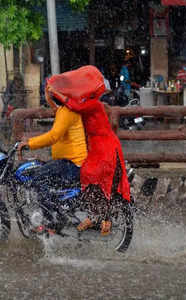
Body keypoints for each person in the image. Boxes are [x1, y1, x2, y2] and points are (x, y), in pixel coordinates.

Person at [46, 65, 131, 236]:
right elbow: (64, 111)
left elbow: (74, 107)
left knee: (94, 175)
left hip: (106, 145)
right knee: (87, 176)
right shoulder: (86, 104)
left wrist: (57, 93)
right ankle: (95, 215)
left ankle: (102, 217)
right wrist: (50, 99)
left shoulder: (93, 105)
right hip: (96, 146)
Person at [17, 84, 88, 232]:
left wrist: (29, 144)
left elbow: (53, 136)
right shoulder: (66, 110)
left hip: (71, 163)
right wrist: (50, 99)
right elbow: (58, 111)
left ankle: (52, 219)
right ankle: (54, 212)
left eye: (55, 93)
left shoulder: (67, 112)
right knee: (43, 175)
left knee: (37, 178)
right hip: (67, 161)